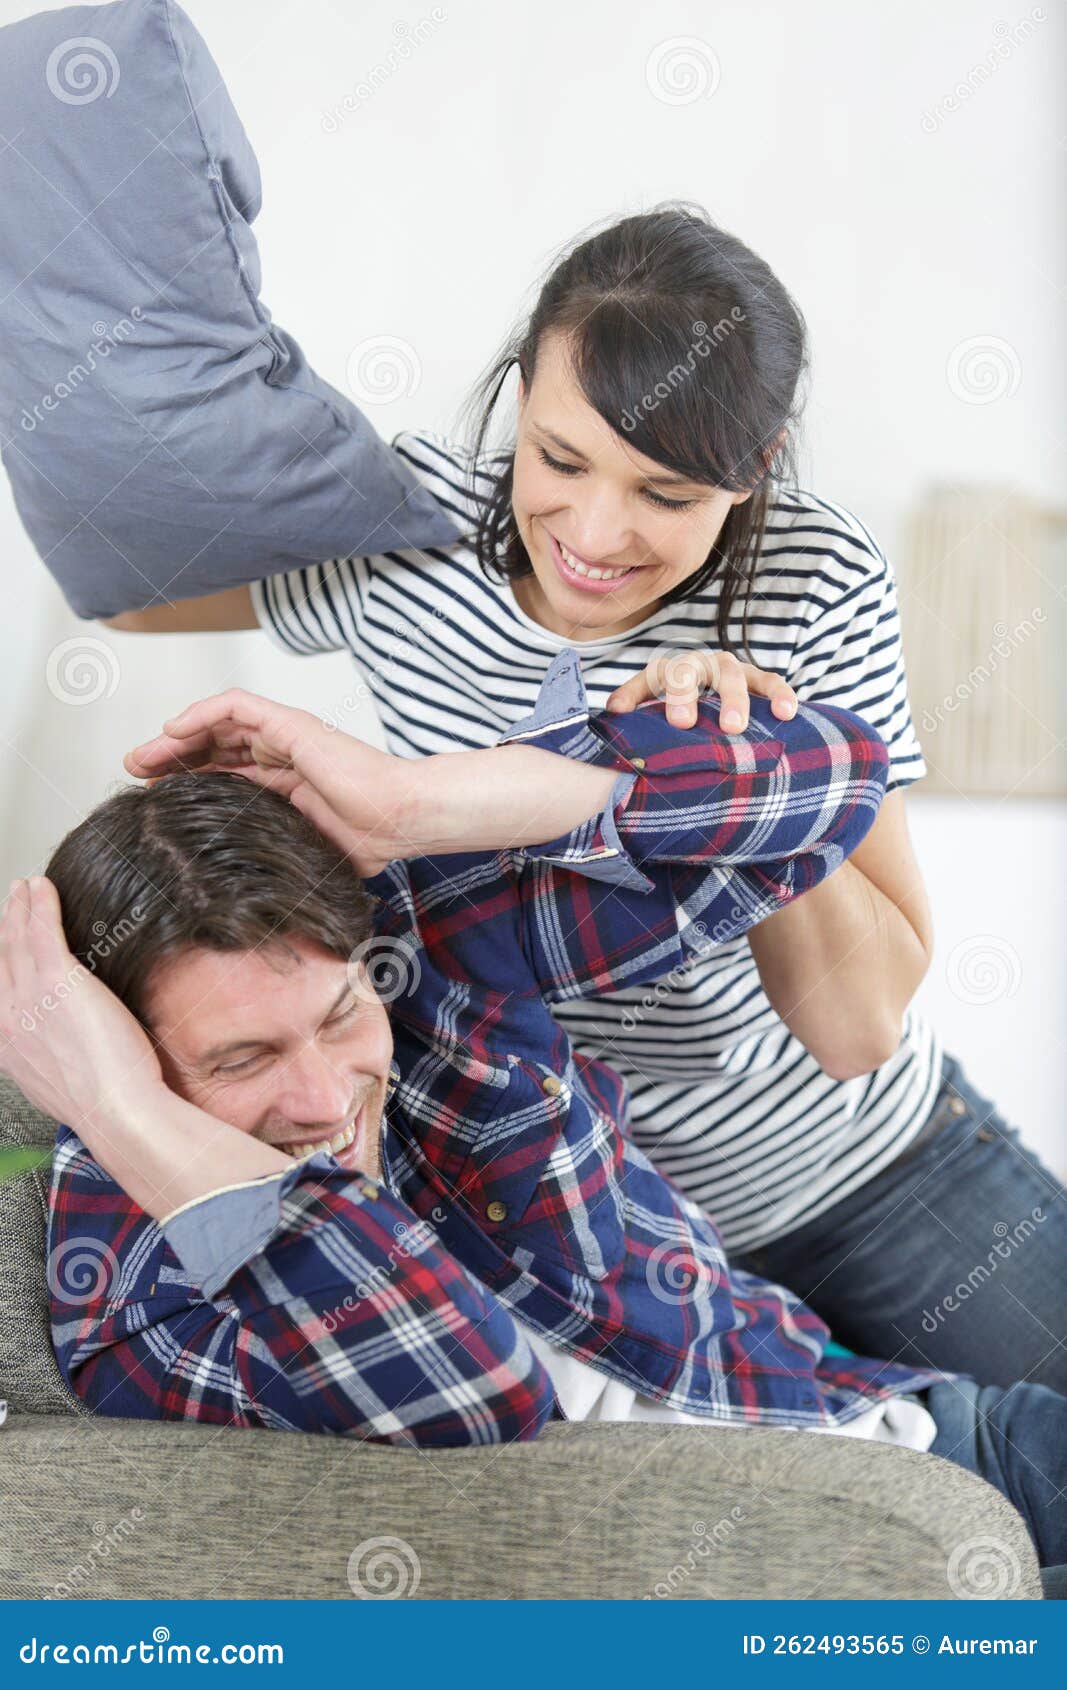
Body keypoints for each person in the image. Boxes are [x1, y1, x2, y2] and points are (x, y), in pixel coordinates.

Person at [100, 205, 1067, 1391]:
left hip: (870, 1176)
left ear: (754, 468)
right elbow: (125, 584)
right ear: (518, 398)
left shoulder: (810, 579)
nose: (595, 533)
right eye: (559, 460)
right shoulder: (413, 531)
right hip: (586, 1238)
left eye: (666, 492)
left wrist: (734, 771)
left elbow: (851, 1025)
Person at [2, 663, 1063, 1577]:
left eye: (337, 1018)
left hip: (941, 1436)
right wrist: (119, 1110)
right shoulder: (131, 1305)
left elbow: (828, 775)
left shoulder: (422, 966)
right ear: (109, 1046)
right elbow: (475, 1393)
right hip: (847, 1564)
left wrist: (410, 801)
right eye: (242, 1060)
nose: (326, 1101)